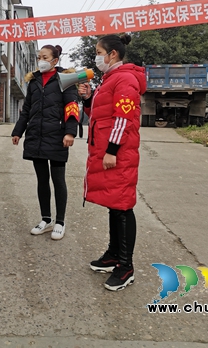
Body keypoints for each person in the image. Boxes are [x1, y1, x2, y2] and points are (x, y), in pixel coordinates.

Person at [78, 34, 146, 291]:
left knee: (122, 207)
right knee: (113, 204)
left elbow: (123, 118)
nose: (96, 57)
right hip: (109, 151)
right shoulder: (111, 79)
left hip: (118, 154)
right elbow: (100, 116)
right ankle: (113, 254)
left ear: (112, 54)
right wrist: (87, 100)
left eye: (98, 51)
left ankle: (125, 266)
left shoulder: (125, 79)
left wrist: (112, 150)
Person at [11, 45, 79, 241]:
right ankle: (46, 219)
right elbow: (27, 109)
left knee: (58, 180)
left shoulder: (66, 79)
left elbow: (71, 107)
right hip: (36, 136)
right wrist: (18, 131)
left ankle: (60, 222)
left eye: (45, 57)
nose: (41, 60)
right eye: (39, 57)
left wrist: (70, 132)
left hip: (57, 136)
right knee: (42, 180)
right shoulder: (34, 81)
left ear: (55, 60)